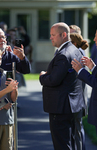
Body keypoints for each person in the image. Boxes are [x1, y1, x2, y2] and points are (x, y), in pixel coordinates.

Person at [39, 22, 86, 150]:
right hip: (72, 106)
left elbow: (54, 80)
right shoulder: (75, 50)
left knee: (62, 144)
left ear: (64, 35)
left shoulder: (63, 54)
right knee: (72, 142)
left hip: (60, 107)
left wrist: (42, 76)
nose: (51, 38)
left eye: (53, 35)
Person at [70, 32, 89, 150]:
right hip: (76, 99)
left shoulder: (77, 55)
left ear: (74, 43)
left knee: (77, 131)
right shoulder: (77, 53)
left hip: (77, 99)